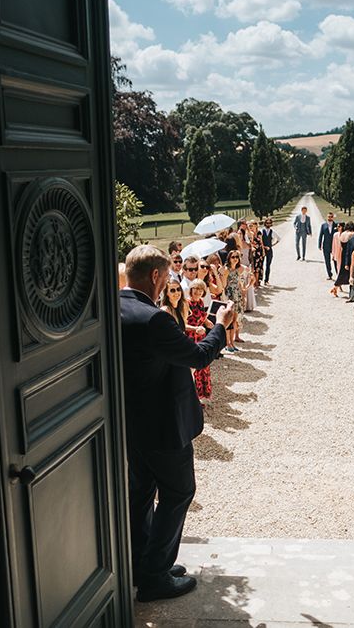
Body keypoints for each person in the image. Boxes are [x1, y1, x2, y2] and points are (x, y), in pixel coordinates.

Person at [120, 245, 232, 602]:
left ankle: (143, 562)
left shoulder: (113, 308)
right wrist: (220, 326)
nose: (168, 282)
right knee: (178, 493)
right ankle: (155, 576)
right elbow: (198, 357)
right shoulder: (154, 319)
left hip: (131, 425)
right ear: (156, 276)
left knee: (140, 495)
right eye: (167, 276)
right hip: (164, 426)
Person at [184, 279, 214, 407]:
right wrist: (195, 328)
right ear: (191, 290)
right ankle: (192, 400)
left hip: (201, 338)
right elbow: (182, 324)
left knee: (202, 368)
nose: (197, 291)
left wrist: (207, 322)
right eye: (195, 288)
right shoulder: (186, 303)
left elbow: (202, 317)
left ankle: (200, 397)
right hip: (190, 339)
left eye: (200, 289)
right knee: (192, 370)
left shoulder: (201, 302)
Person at [220, 250, 246, 352]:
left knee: (234, 320)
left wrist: (243, 296)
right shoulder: (226, 270)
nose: (235, 259)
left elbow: (240, 284)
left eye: (237, 257)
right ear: (229, 258)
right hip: (230, 296)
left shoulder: (238, 269)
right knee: (229, 320)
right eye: (233, 257)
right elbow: (224, 285)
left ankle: (232, 342)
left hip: (237, 296)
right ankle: (227, 343)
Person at [330, 222, 354, 297]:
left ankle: (336, 287)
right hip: (349, 254)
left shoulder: (343, 234)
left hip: (343, 254)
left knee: (342, 273)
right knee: (349, 273)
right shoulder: (351, 234)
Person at [318, 212, 337, 279]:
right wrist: (319, 244)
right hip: (326, 245)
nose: (330, 218)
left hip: (334, 245)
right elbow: (321, 235)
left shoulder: (336, 225)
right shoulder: (323, 225)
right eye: (328, 217)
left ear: (333, 217)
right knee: (327, 260)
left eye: (331, 217)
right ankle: (329, 274)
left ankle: (337, 273)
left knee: (335, 260)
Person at [261, 218, 277, 285]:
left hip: (269, 250)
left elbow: (278, 238)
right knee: (261, 265)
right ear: (265, 223)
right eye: (267, 223)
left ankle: (266, 280)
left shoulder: (272, 232)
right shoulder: (262, 231)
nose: (268, 224)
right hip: (262, 250)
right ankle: (259, 279)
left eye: (269, 223)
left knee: (268, 265)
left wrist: (272, 244)